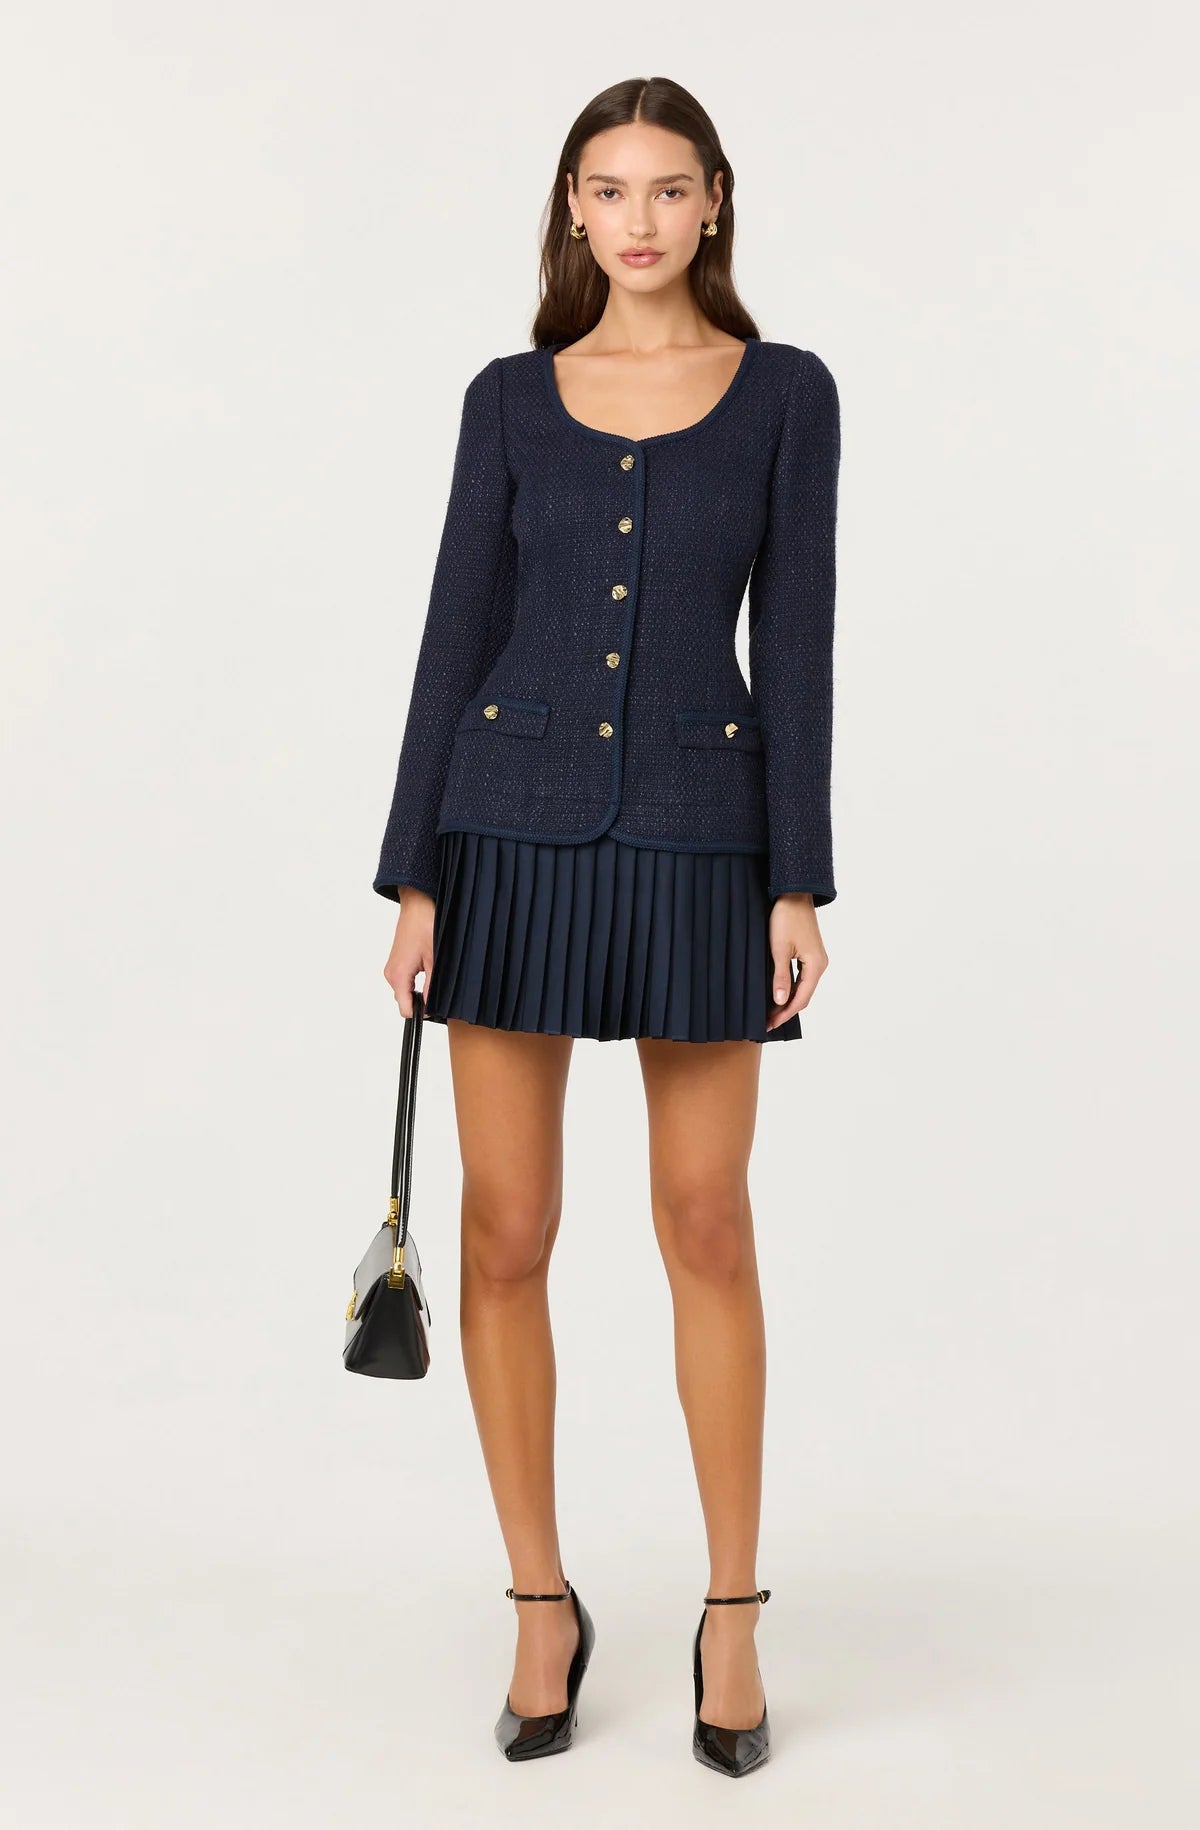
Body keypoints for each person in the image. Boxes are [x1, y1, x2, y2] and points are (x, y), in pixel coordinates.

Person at [372, 75, 841, 1778]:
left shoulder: (788, 394)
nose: (637, 218)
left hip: (708, 843)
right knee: (505, 1232)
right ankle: (539, 1603)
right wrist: (415, 873)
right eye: (606, 188)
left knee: (707, 1221)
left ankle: (733, 1613)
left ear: (715, 200)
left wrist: (799, 875)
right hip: (505, 835)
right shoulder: (508, 399)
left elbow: (799, 640)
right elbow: (456, 630)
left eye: (666, 187)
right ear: (573, 209)